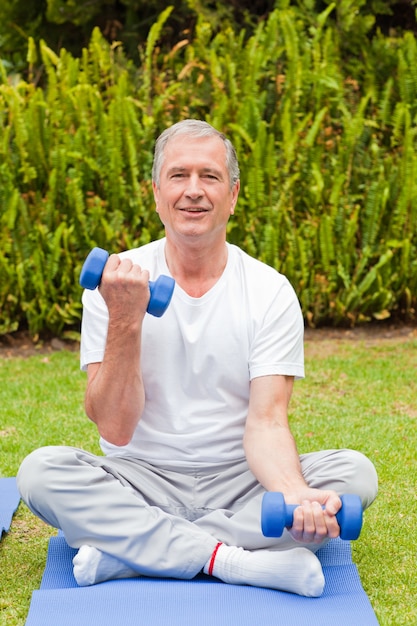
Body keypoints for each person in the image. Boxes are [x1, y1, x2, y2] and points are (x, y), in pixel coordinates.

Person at [17, 119, 378, 597]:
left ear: (232, 194)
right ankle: (233, 559)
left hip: (240, 480)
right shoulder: (117, 284)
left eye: (209, 177)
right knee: (40, 472)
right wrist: (126, 317)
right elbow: (115, 428)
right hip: (140, 478)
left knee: (353, 474)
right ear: (155, 191)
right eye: (178, 176)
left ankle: (134, 553)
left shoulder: (270, 291)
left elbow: (267, 423)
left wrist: (292, 494)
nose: (193, 191)